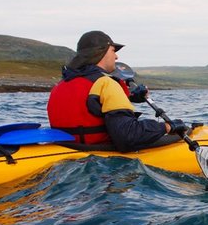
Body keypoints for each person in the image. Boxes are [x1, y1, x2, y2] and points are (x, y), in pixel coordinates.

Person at [47, 30, 187, 151]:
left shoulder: (60, 85)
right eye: (113, 51)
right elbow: (128, 136)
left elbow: (90, 102)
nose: (116, 57)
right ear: (100, 52)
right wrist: (167, 127)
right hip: (101, 165)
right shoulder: (107, 83)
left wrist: (130, 97)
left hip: (67, 151)